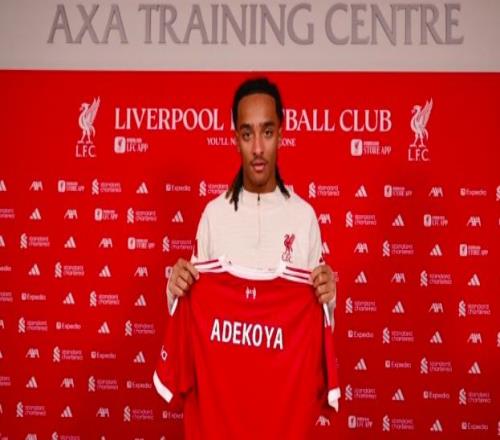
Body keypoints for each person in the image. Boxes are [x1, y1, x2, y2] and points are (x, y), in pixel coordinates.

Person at [167, 77, 336, 310]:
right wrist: (175, 290)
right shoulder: (214, 215)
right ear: (236, 140)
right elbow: (194, 311)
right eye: (247, 135)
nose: (257, 148)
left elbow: (318, 319)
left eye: (267, 132)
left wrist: (329, 298)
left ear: (280, 136)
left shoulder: (304, 217)